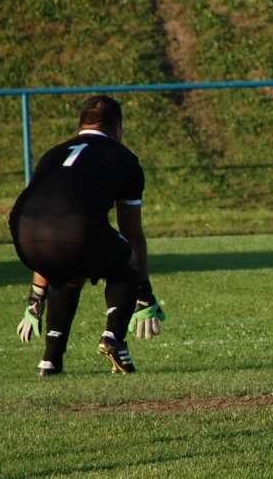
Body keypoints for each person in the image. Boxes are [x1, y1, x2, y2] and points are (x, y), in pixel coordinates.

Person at [10, 95, 165, 378]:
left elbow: (46, 222)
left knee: (67, 270)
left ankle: (50, 361)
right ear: (117, 127)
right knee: (125, 257)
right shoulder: (124, 158)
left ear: (81, 124)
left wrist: (36, 297)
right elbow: (132, 233)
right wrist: (144, 293)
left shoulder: (54, 153)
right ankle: (112, 338)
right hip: (72, 231)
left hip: (23, 232)